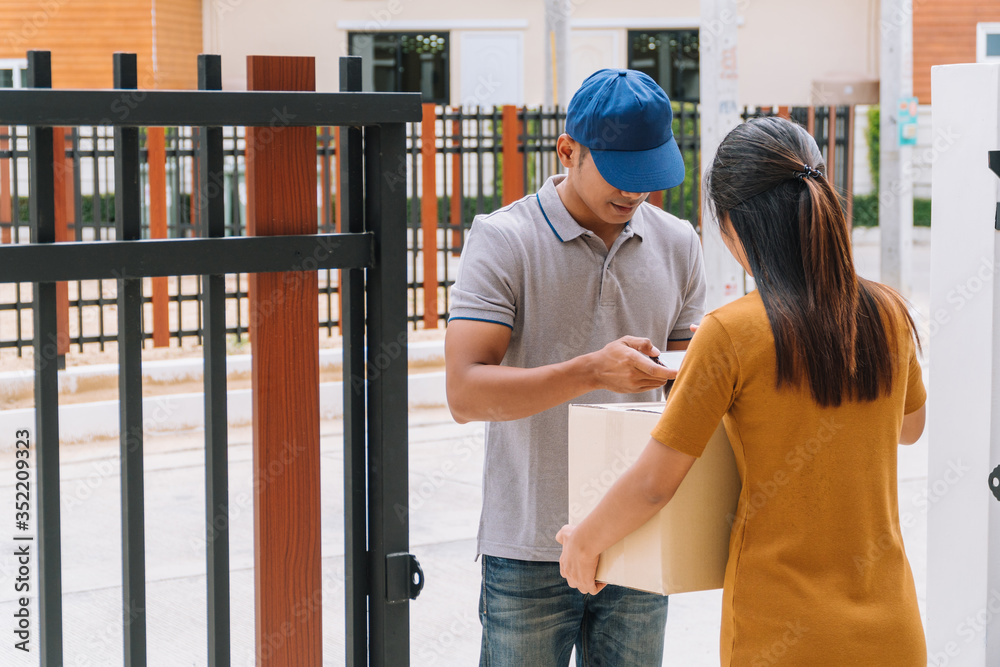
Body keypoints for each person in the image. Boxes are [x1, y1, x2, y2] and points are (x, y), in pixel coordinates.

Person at [557, 115, 928, 666]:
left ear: (734, 225)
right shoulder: (888, 313)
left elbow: (656, 484)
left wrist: (584, 541)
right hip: (892, 631)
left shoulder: (732, 333)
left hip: (779, 634)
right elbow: (909, 428)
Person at [445, 68, 707, 665]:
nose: (636, 192)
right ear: (568, 150)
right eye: (621, 172)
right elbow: (465, 394)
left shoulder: (679, 242)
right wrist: (592, 371)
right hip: (529, 547)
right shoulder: (503, 239)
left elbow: (687, 390)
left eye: (650, 175)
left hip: (638, 533)